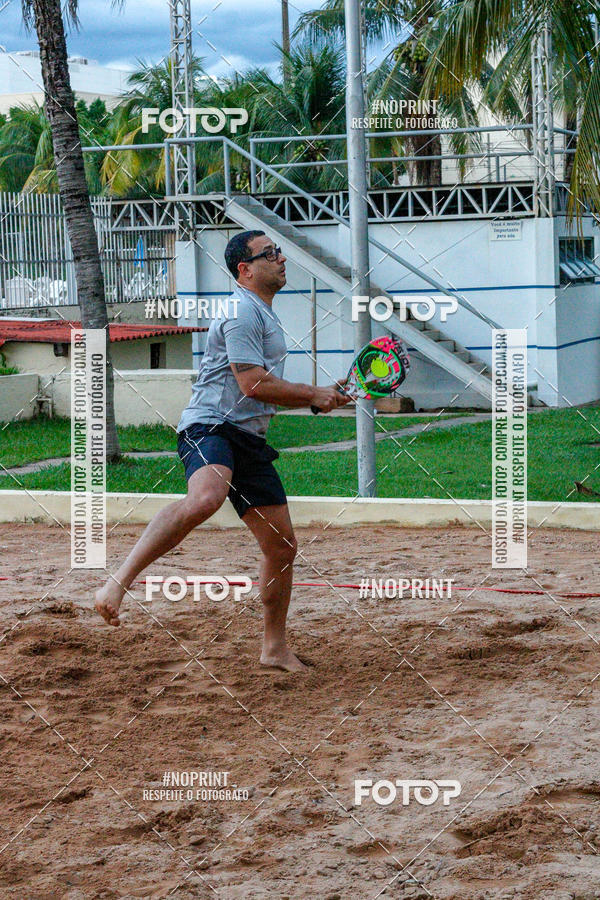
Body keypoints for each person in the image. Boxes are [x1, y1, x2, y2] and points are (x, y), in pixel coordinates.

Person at [95, 230, 350, 671]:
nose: (282, 258)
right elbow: (252, 383)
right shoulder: (240, 311)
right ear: (245, 270)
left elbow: (264, 391)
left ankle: (274, 649)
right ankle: (117, 582)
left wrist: (319, 396)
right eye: (270, 254)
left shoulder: (262, 313)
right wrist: (313, 394)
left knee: (282, 546)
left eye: (279, 251)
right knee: (206, 497)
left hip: (249, 437)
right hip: (210, 425)